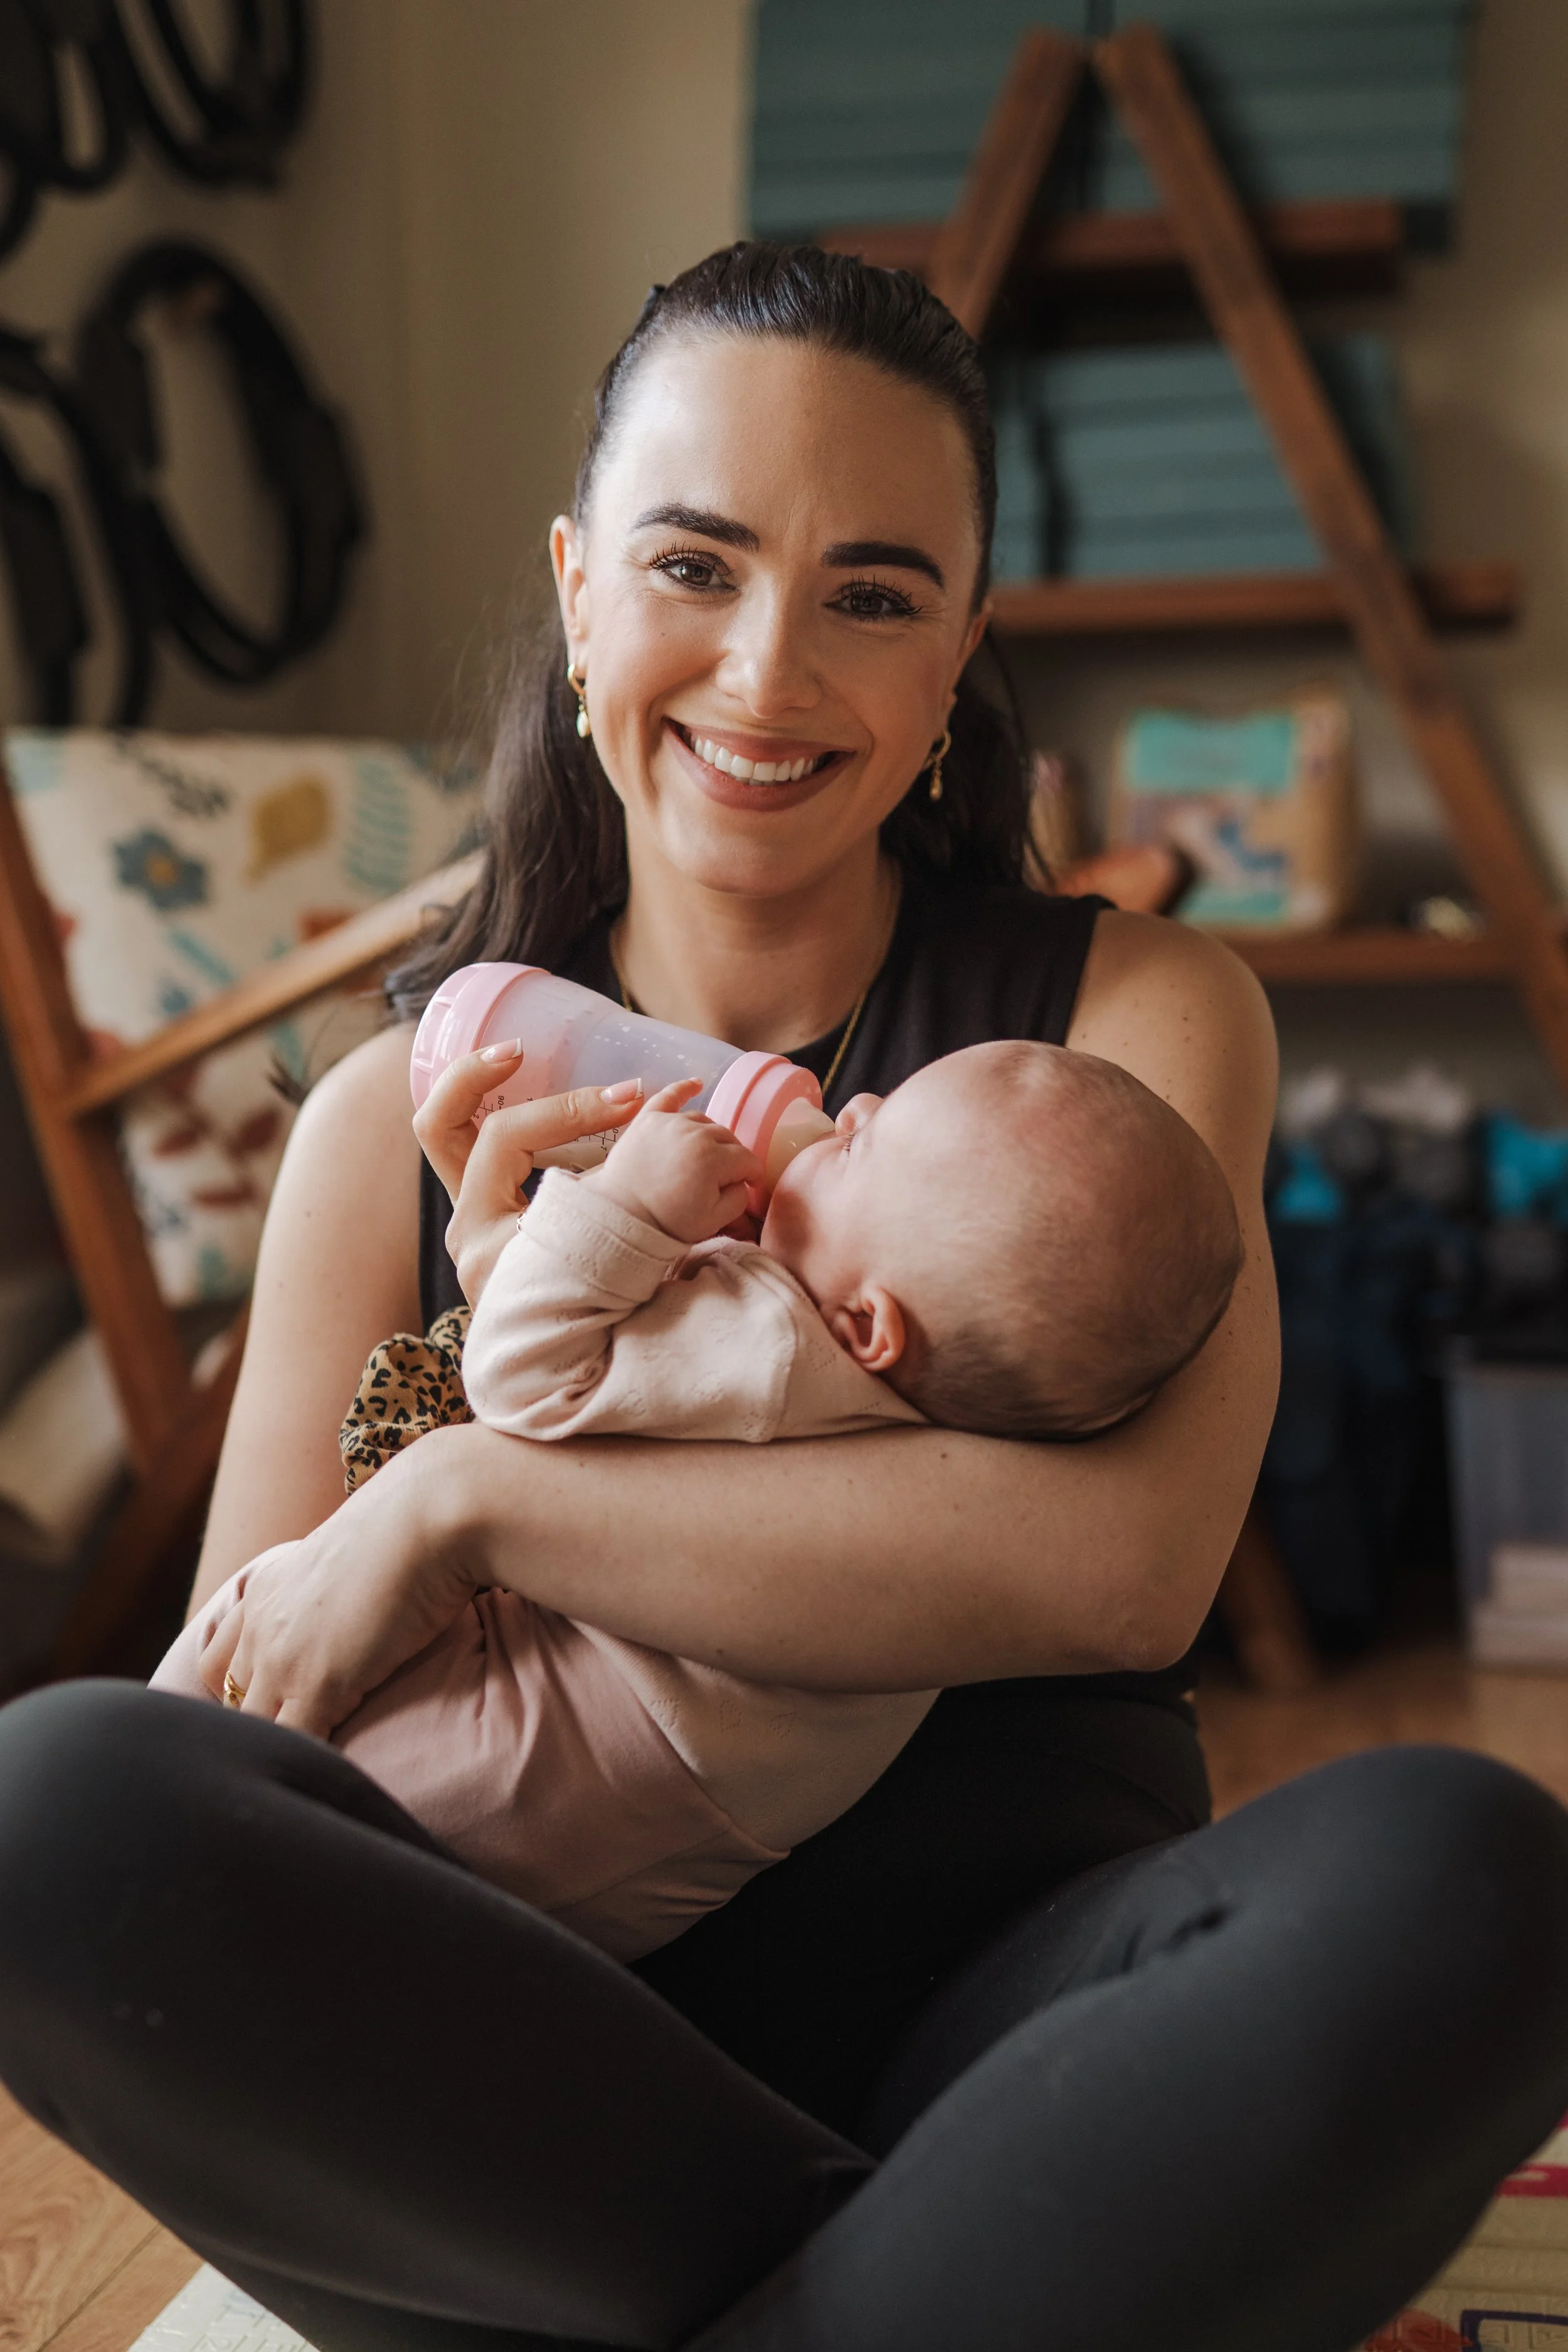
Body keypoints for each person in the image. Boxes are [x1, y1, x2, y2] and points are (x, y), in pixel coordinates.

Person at [1, 241, 1567, 2352]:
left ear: (958, 664)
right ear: (577, 594)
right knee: (53, 1809)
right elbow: (253, 1700)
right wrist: (463, 1364)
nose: (767, 670)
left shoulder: (1125, 1023)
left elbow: (1117, 1569)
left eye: (874, 594)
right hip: (508, 2078)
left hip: (1034, 2055)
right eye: (694, 564)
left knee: (1469, 1870)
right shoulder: (384, 1116)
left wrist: (471, 1505)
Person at [151, 1041, 1242, 1957]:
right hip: (665, 1822)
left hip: (555, 1730)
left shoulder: (767, 1337)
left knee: (205, 1764)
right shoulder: (931, 1415)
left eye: (869, 1136)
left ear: (867, 1326)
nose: (850, 1101)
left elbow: (520, 1382)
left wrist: (616, 1215)